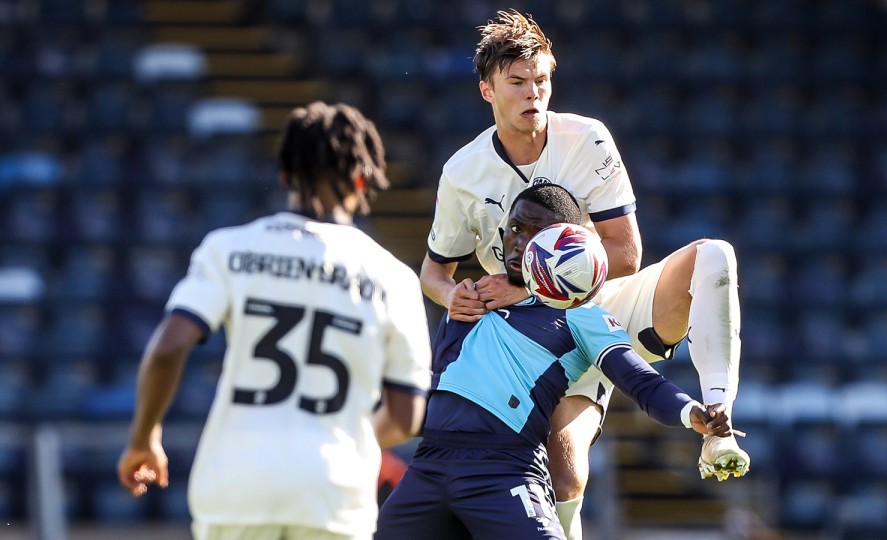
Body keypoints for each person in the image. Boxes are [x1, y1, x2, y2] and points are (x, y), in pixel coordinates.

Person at [419, 10, 748, 539]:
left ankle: (718, 423)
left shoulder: (588, 138)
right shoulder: (463, 171)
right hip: (530, 334)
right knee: (564, 472)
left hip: (598, 307)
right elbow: (435, 271)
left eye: (542, 80)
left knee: (714, 255)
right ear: (487, 91)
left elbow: (625, 254)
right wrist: (451, 294)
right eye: (518, 82)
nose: (533, 93)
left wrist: (526, 281)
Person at [117, 101, 433, 540]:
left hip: (236, 484)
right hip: (333, 494)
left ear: (285, 174)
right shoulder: (394, 278)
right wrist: (340, 437)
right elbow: (407, 415)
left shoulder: (229, 249)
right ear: (362, 180)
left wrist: (144, 438)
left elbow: (170, 346)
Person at [378, 183, 734, 539]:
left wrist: (691, 413)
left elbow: (641, 381)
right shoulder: (468, 300)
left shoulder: (582, 315)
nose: (520, 243)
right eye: (516, 229)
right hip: (428, 465)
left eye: (537, 235)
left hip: (502, 470)